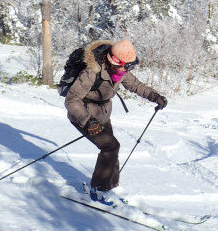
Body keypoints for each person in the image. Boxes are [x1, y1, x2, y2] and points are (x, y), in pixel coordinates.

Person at [64, 39, 167, 205]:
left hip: (102, 115)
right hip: (83, 116)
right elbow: (71, 100)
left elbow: (136, 85)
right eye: (127, 67)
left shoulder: (119, 71)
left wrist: (155, 96)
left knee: (113, 149)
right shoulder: (91, 72)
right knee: (110, 147)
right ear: (114, 61)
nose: (128, 70)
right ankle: (98, 190)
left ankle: (112, 186)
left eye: (131, 67)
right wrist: (88, 121)